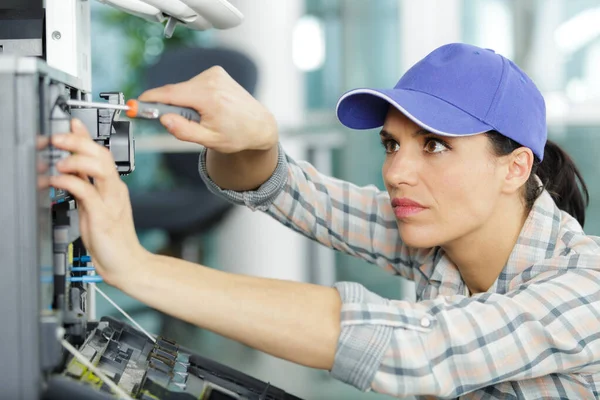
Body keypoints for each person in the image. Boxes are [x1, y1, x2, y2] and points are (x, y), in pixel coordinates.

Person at [49, 43, 600, 399]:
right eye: (391, 143)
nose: (397, 173)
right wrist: (258, 138)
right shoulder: (443, 232)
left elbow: (417, 350)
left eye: (433, 145)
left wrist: (138, 267)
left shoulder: (586, 290)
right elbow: (290, 191)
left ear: (515, 168)